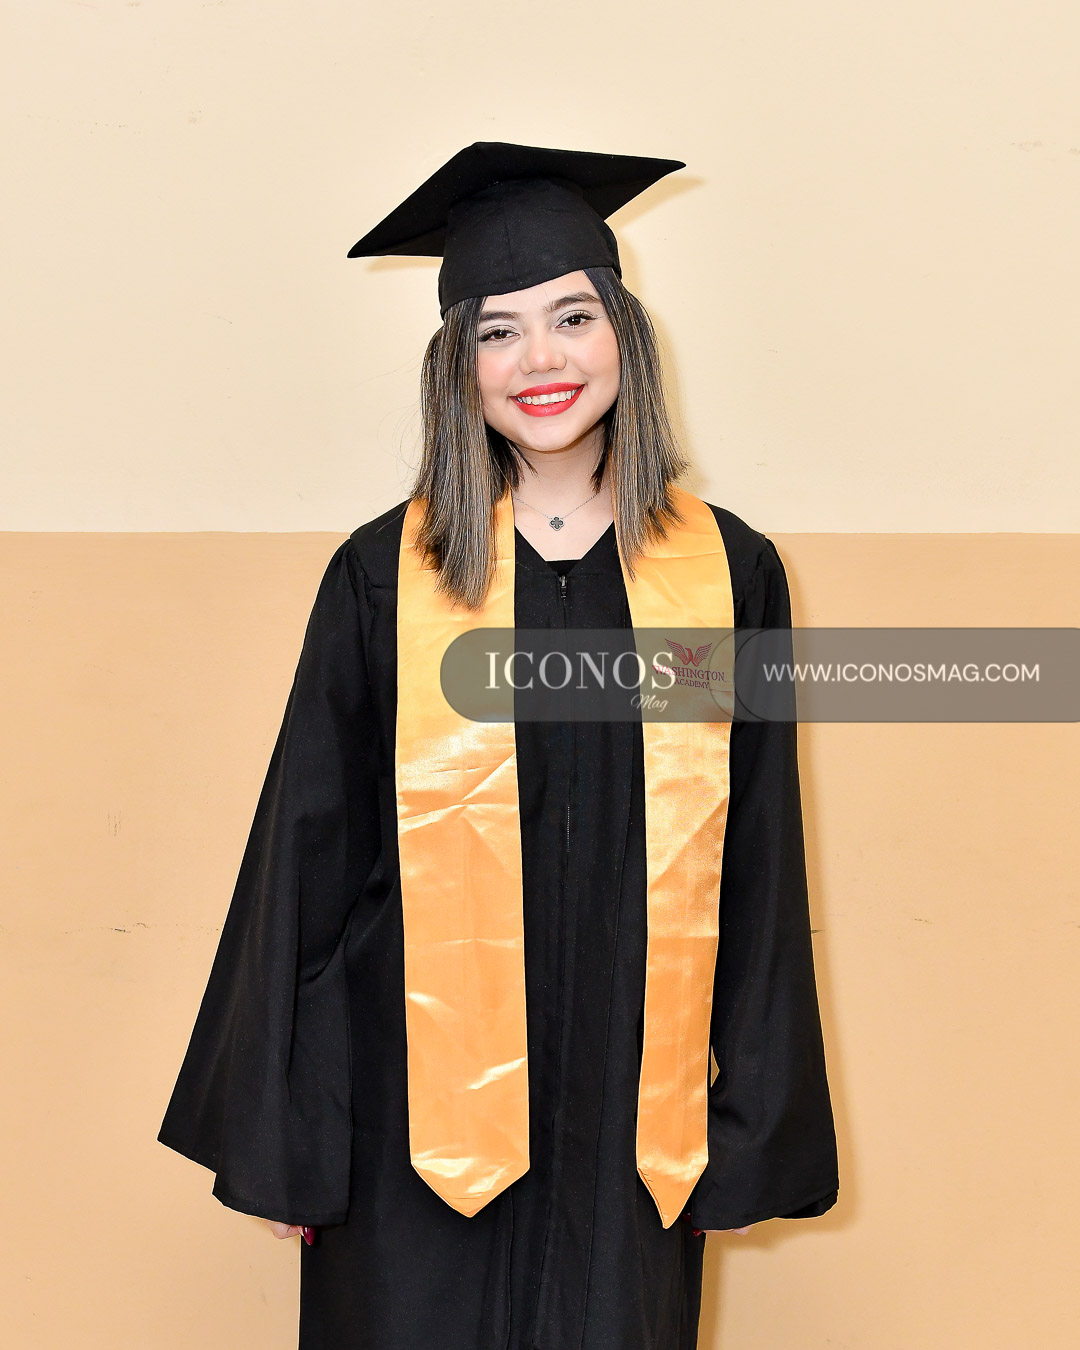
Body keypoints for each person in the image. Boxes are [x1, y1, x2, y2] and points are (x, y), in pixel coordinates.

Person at [158, 142, 839, 1350]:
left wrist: (748, 1122)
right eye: (498, 332)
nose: (542, 361)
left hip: (632, 1114)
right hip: (408, 1118)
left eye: (573, 318)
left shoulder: (725, 575)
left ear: (625, 336)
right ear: (457, 368)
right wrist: (290, 1133)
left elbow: (759, 856)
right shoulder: (387, 575)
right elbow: (307, 854)